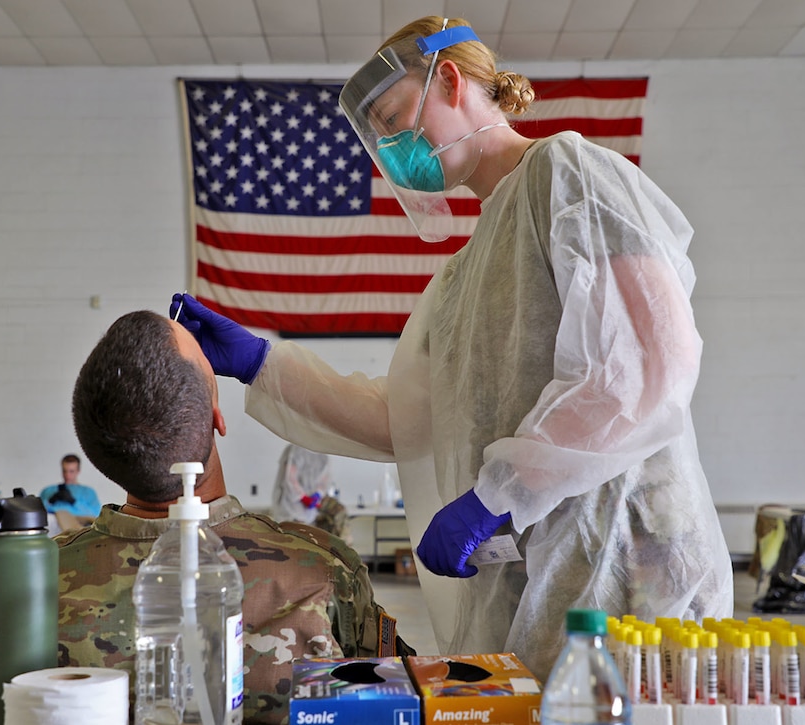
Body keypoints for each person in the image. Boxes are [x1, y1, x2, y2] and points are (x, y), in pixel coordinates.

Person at [170, 15, 733, 680]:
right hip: (533, 584)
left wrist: (501, 494)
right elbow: (405, 419)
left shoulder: (570, 172)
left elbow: (648, 362)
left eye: (394, 115)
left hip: (632, 566)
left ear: (450, 79)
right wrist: (263, 362)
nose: (389, 145)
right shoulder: (463, 277)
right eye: (377, 134)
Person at [59, 310, 413, 724]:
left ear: (94, 448)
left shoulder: (33, 577)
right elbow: (403, 704)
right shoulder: (324, 570)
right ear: (217, 416)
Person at [38, 454, 101, 523]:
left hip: (78, 525)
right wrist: (50, 501)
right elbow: (37, 512)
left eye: (71, 471)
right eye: (64, 471)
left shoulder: (88, 492)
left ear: (78, 471)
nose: (67, 475)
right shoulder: (49, 490)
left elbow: (95, 514)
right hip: (52, 522)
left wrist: (73, 501)